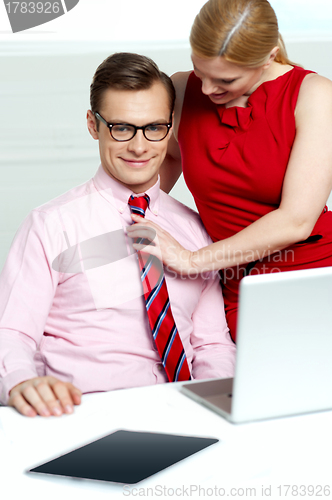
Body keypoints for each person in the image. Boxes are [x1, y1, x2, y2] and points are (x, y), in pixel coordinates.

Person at [0, 52, 235, 418]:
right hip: (83, 417)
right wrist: (21, 381)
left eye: (153, 127)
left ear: (171, 126)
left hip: (188, 415)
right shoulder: (51, 225)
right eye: (121, 128)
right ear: (94, 125)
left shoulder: (194, 230)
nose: (139, 146)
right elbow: (12, 333)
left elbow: (212, 347)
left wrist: (214, 407)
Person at [127, 0, 332, 341]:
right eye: (200, 71)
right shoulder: (180, 89)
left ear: (269, 56)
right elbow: (171, 158)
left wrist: (191, 260)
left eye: (225, 80)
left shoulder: (316, 96)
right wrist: (121, 215)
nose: (207, 90)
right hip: (231, 280)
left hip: (313, 272)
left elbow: (297, 220)